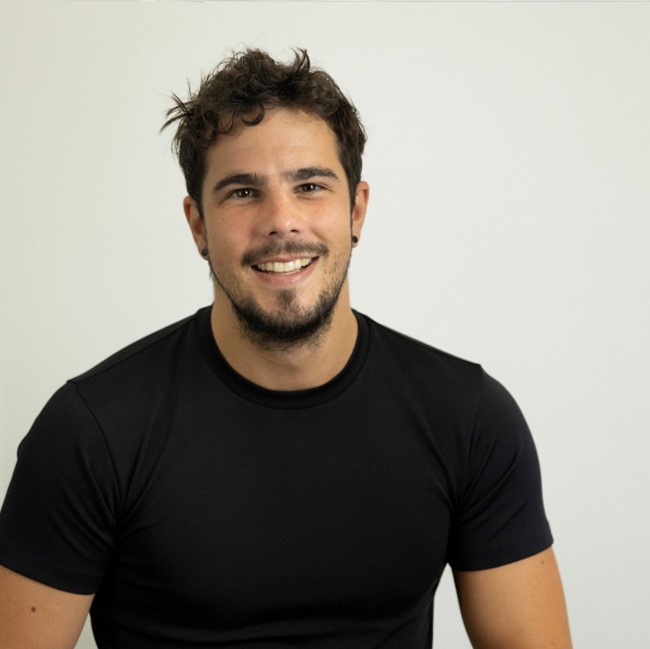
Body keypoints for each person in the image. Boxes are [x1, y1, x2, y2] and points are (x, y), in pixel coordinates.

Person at [0, 49, 572, 649]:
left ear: (356, 210)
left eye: (310, 186)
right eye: (243, 192)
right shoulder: (94, 431)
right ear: (198, 225)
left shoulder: (468, 418)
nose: (282, 220)